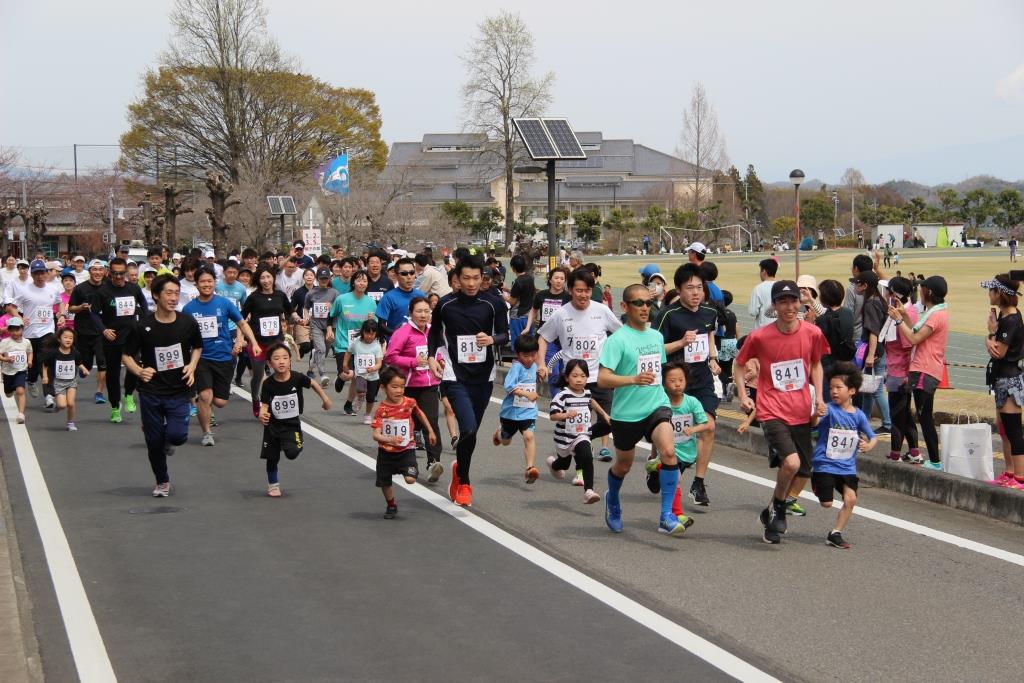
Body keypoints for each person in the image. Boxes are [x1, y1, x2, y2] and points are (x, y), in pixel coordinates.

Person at [736, 280, 829, 544]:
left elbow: (816, 365)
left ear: (800, 303)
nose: (789, 307)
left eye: (793, 301)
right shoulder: (760, 337)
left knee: (802, 471)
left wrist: (819, 397)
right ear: (774, 306)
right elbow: (740, 364)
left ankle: (772, 509)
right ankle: (778, 506)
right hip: (770, 408)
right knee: (791, 463)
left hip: (801, 409)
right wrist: (743, 394)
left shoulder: (812, 333)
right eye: (783, 302)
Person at [598, 284, 691, 535]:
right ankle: (613, 499)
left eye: (648, 303)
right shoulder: (617, 340)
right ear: (624, 307)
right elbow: (603, 379)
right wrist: (632, 380)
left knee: (670, 453)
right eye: (638, 303)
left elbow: (658, 370)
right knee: (624, 465)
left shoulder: (655, 336)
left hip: (656, 406)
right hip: (626, 413)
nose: (644, 308)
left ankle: (666, 516)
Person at [427, 255, 509, 507]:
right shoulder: (445, 304)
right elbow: (433, 334)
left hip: (483, 376)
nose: (472, 283)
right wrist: (431, 357)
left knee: (471, 434)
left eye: (476, 278)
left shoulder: (493, 304)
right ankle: (464, 481)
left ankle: (458, 469)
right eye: (466, 278)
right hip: (454, 375)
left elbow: (505, 334)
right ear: (457, 279)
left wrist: (492, 340)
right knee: (469, 429)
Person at [121, 275, 202, 497]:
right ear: (156, 295)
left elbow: (197, 347)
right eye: (168, 293)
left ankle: (166, 439)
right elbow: (126, 355)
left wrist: (192, 366)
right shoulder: (143, 326)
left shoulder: (187, 322)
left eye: (176, 293)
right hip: (151, 391)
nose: (174, 298)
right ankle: (162, 481)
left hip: (178, 390)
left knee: (178, 436)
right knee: (153, 442)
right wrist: (139, 371)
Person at [655, 262, 721, 507]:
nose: (696, 293)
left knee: (708, 427)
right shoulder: (668, 315)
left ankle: (699, 482)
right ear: (679, 290)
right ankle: (658, 464)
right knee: (669, 433)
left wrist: (713, 358)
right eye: (690, 288)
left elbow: (710, 336)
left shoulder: (709, 312)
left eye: (699, 288)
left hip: (702, 380)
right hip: (673, 383)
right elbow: (656, 349)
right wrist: (681, 343)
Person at [537, 269, 620, 462]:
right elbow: (543, 338)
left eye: (587, 290)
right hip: (574, 381)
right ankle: (580, 462)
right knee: (575, 424)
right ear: (570, 290)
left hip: (600, 377)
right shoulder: (561, 314)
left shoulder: (602, 311)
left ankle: (579, 440)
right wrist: (541, 363)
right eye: (579, 290)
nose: (584, 295)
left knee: (609, 422)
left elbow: (621, 334)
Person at [184, 268, 261, 446]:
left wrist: (253, 343)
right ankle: (206, 433)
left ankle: (201, 401)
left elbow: (242, 322)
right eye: (202, 281)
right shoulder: (189, 309)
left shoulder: (224, 304)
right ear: (196, 284)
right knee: (205, 395)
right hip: (201, 358)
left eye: (209, 281)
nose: (206, 284)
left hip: (224, 357)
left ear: (214, 283)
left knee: (220, 402)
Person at [810, 362, 878, 549]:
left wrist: (868, 445)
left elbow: (873, 437)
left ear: (852, 391)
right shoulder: (829, 409)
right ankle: (816, 481)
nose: (834, 391)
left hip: (847, 466)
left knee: (851, 499)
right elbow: (813, 423)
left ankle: (835, 533)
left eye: (839, 388)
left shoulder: (858, 416)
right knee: (826, 503)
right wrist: (816, 413)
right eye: (831, 388)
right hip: (825, 464)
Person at [887, 275, 948, 470]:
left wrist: (898, 321)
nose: (919, 292)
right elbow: (915, 327)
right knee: (923, 416)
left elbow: (914, 338)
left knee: (925, 417)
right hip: (925, 368)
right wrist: (903, 313)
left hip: (925, 369)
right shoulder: (936, 311)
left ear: (928, 292)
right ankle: (934, 460)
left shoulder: (936, 315)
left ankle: (936, 461)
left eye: (922, 289)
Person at [258, 342, 332, 497]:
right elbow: (265, 404)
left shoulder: (297, 378)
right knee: (272, 457)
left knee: (292, 453)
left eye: (285, 357)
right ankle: (273, 485)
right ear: (270, 363)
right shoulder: (268, 384)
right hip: (272, 425)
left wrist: (325, 399)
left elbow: (312, 383)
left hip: (291, 424)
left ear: (290, 360)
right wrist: (262, 413)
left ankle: (293, 442)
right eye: (277, 358)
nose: (281, 361)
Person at [383, 296, 444, 482]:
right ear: (410, 313)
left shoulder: (434, 331)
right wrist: (412, 362)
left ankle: (433, 462)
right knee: (409, 425)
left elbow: (440, 351)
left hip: (430, 384)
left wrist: (440, 361)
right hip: (408, 386)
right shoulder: (403, 332)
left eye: (427, 311)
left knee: (431, 422)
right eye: (419, 311)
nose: (423, 315)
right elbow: (390, 357)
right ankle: (404, 462)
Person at [643, 363, 711, 525]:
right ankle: (677, 514)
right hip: (669, 451)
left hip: (688, 453)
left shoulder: (692, 402)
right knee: (677, 480)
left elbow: (707, 424)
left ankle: (656, 468)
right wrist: (654, 455)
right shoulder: (661, 403)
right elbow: (656, 433)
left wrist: (694, 429)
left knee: (674, 481)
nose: (677, 384)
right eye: (672, 380)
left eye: (681, 380)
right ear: (664, 383)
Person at [372, 366, 436, 518]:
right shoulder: (381, 409)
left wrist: (430, 431)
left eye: (402, 387)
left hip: (406, 450)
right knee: (385, 483)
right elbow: (376, 435)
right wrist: (390, 439)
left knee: (410, 479)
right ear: (383, 387)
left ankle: (411, 468)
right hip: (386, 452)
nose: (399, 390)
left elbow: (420, 414)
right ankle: (391, 505)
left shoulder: (409, 402)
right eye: (394, 387)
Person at [982, 275, 1024, 490]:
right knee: (1004, 428)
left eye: (991, 290)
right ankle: (1009, 472)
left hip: (1010, 380)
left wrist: (990, 334)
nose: (989, 294)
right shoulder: (1005, 317)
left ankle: (1020, 477)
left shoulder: (1011, 320)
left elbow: (999, 352)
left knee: (1013, 428)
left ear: (1000, 293)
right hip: (1002, 379)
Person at [547, 358, 608, 504]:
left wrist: (605, 415)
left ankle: (589, 491)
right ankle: (553, 464)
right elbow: (553, 415)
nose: (579, 380)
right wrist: (566, 415)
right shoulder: (562, 395)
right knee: (563, 464)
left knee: (586, 456)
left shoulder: (586, 393)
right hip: (564, 438)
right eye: (574, 376)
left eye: (583, 376)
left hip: (581, 435)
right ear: (567, 377)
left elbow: (591, 402)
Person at [241, 266, 296, 417]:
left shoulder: (280, 295)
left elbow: (290, 311)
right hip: (258, 342)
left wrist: (299, 319)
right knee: (258, 376)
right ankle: (255, 398)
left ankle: (277, 402)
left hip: (276, 342)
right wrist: (240, 338)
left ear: (273, 278)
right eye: (262, 278)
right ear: (258, 280)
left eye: (268, 277)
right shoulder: (253, 297)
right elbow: (241, 318)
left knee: (282, 371)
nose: (266, 280)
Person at [13, 259, 65, 411]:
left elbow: (59, 302)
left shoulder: (53, 289)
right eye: (36, 273)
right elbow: (11, 306)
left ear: (46, 273)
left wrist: (61, 314)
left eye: (42, 273)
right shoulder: (24, 290)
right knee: (33, 363)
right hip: (29, 333)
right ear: (32, 275)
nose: (39, 276)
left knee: (46, 361)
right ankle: (31, 380)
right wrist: (19, 317)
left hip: (47, 331)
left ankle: (49, 395)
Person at [492, 334, 541, 483]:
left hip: (528, 411)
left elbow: (532, 378)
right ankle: (499, 434)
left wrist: (541, 373)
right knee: (506, 440)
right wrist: (527, 394)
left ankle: (530, 468)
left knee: (529, 436)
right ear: (518, 354)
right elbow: (509, 386)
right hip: (511, 412)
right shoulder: (516, 367)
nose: (530, 359)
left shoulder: (533, 365)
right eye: (526, 356)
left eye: (533, 355)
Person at [883, 277, 920, 463]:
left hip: (900, 371)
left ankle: (895, 454)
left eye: (889, 291)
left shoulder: (906, 314)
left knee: (897, 415)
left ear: (894, 294)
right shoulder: (906, 310)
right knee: (904, 414)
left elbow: (909, 344)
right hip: (897, 368)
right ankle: (914, 452)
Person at [853, 270, 891, 434]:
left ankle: (888, 424)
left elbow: (873, 331)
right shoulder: (879, 300)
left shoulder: (870, 303)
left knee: (876, 390)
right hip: (880, 350)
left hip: (874, 352)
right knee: (867, 389)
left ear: (865, 285)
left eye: (857, 282)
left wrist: (870, 355)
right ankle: (864, 420)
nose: (855, 285)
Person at [41, 327, 89, 431]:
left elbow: (79, 363)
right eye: (65, 337)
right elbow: (45, 365)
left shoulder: (75, 353)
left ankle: (70, 423)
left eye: (71, 338)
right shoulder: (53, 353)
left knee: (71, 403)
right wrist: (45, 377)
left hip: (71, 381)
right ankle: (58, 407)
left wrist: (84, 369)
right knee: (62, 405)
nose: (68, 340)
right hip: (59, 383)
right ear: (59, 339)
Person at [342, 319, 384, 424]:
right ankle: (360, 398)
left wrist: (373, 368)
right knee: (361, 390)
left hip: (373, 376)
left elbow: (379, 363)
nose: (369, 336)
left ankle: (367, 414)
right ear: (363, 332)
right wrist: (345, 364)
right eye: (367, 333)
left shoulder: (377, 346)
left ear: (376, 334)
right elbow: (348, 352)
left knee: (370, 397)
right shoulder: (356, 343)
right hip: (360, 374)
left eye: (372, 334)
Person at [302, 268, 339, 387]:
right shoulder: (311, 293)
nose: (324, 280)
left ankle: (314, 357)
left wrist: (332, 306)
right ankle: (323, 374)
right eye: (321, 278)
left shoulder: (335, 293)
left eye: (326, 278)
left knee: (325, 350)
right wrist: (307, 317)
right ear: (317, 279)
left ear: (329, 279)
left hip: (330, 326)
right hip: (316, 325)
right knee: (322, 349)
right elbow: (306, 307)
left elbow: (340, 309)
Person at [814, 279, 856, 379]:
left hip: (828, 363)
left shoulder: (822, 320)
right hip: (846, 360)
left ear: (825, 298)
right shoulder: (848, 313)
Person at [375, 257, 426, 338]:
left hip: (418, 344)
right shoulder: (388, 298)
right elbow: (381, 325)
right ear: (396, 275)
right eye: (404, 273)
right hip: (396, 345)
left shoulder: (422, 296)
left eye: (412, 273)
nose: (409, 277)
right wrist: (399, 335)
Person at [0, 318, 31, 423]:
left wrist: (30, 361)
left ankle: (21, 414)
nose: (15, 332)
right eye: (12, 330)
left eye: (17, 329)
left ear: (22, 329)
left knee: (20, 391)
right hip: (8, 371)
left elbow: (29, 352)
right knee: (8, 393)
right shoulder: (5, 342)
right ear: (8, 331)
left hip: (21, 370)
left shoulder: (26, 342)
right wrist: (5, 359)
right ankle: (9, 390)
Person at [843, 254, 875, 340]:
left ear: (856, 268)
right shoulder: (876, 284)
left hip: (857, 336)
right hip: (874, 333)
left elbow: (847, 316)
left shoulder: (853, 288)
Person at [748, 258, 779, 329]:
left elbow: (752, 312)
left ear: (764, 271)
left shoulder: (758, 289)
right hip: (780, 328)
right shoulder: (781, 286)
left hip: (763, 330)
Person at [507, 254, 536, 320]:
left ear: (513, 268)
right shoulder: (530, 278)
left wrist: (502, 296)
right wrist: (507, 289)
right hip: (529, 314)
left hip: (518, 316)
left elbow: (512, 301)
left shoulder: (517, 282)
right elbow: (522, 293)